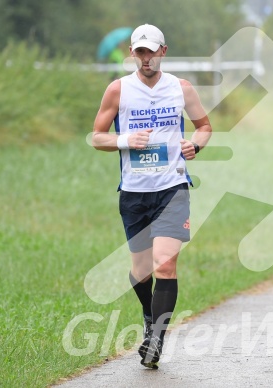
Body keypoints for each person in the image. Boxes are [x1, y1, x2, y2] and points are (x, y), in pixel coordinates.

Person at [91, 23, 212, 369]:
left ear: (163, 51)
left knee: (165, 264)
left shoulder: (181, 89)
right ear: (133, 54)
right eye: (140, 52)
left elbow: (204, 126)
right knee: (142, 271)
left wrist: (196, 144)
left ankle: (156, 338)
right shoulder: (118, 91)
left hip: (173, 189)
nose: (146, 58)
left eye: (152, 51)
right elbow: (96, 136)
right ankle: (149, 315)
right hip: (134, 194)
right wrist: (125, 140)